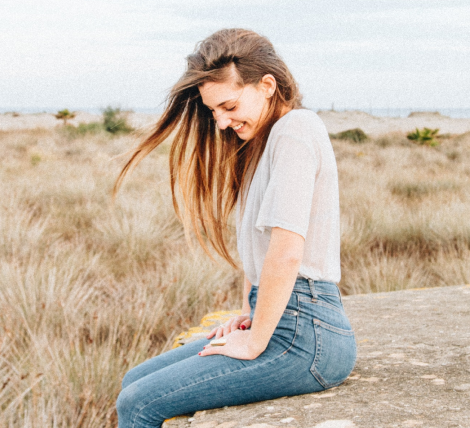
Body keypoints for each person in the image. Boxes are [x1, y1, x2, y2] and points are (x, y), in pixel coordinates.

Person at [114, 28, 356, 427]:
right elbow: (258, 250)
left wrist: (256, 339)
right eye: (213, 112)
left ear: (267, 85)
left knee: (140, 403)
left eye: (228, 105)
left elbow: (287, 249)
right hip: (283, 320)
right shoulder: (262, 143)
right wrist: (249, 312)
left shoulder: (297, 129)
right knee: (134, 381)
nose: (221, 122)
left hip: (306, 337)